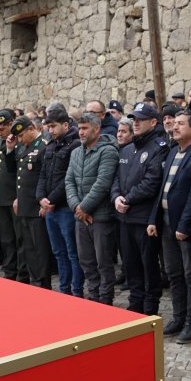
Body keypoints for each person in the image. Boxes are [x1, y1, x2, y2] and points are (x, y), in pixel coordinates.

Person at [147, 110, 191, 343]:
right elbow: (163, 189)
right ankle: (178, 318)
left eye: (181, 124)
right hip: (166, 223)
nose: (174, 127)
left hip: (185, 227)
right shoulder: (173, 151)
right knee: (174, 274)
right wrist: (153, 219)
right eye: (174, 123)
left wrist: (184, 226)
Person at [113, 102, 169, 315]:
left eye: (141, 120)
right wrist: (116, 197)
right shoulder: (127, 148)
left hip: (144, 218)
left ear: (153, 122)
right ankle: (135, 305)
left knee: (148, 266)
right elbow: (116, 179)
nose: (135, 123)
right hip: (124, 218)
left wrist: (127, 199)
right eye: (134, 120)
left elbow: (151, 182)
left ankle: (150, 308)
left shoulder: (159, 148)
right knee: (130, 265)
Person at [65, 113, 120, 304]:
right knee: (86, 261)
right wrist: (77, 207)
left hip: (101, 217)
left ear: (96, 129)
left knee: (103, 262)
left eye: (85, 128)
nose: (80, 132)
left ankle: (105, 300)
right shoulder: (76, 152)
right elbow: (69, 181)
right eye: (79, 128)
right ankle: (94, 297)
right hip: (81, 217)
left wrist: (84, 207)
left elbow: (103, 183)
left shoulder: (108, 151)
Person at [39, 108, 83, 297]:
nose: (51, 130)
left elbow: (68, 178)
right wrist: (41, 198)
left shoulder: (74, 145)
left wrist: (51, 199)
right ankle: (64, 290)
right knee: (59, 252)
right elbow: (43, 174)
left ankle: (76, 290)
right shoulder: (50, 145)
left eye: (53, 126)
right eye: (48, 127)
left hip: (65, 207)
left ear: (65, 125)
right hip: (50, 208)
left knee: (72, 253)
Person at [8, 116, 51, 288]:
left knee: (40, 248)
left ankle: (43, 283)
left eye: (21, 135)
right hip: (25, 204)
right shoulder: (23, 147)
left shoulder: (43, 147)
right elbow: (17, 173)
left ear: (31, 129)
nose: (20, 140)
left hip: (36, 205)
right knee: (29, 248)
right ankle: (35, 280)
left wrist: (44, 202)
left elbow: (46, 177)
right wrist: (10, 149)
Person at [0, 110, 26, 281]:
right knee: (6, 239)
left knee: (20, 238)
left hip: (16, 196)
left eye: (2, 129)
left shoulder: (20, 141)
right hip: (3, 196)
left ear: (11, 124)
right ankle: (10, 270)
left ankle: (22, 273)